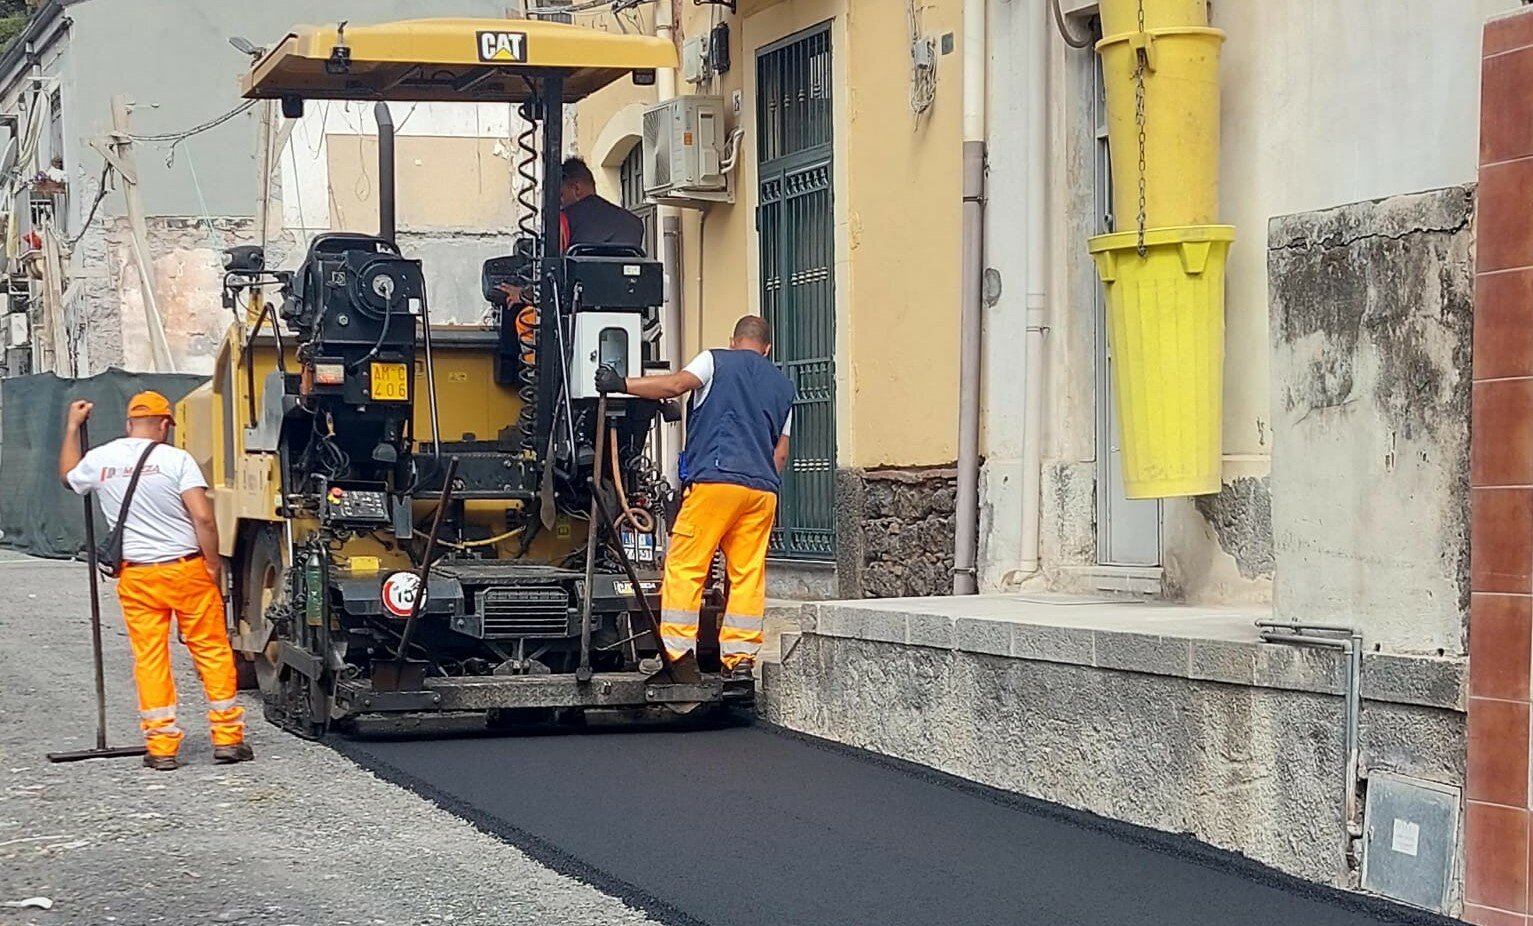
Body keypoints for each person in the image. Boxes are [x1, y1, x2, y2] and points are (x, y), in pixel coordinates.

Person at [58, 392, 253, 771]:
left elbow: (68, 477)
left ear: (129, 424)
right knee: (211, 651)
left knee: (150, 657)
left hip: (138, 575)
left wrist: (72, 426)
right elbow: (203, 517)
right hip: (186, 569)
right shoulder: (176, 459)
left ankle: (162, 746)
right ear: (165, 425)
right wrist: (212, 565)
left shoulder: (100, 459)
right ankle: (228, 739)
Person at [596, 316, 794, 680]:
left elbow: (675, 385)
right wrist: (763, 483)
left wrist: (620, 383)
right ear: (767, 349)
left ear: (733, 340)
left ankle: (677, 656)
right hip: (762, 491)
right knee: (748, 573)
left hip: (716, 480)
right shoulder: (783, 386)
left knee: (686, 565)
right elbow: (780, 453)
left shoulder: (715, 360)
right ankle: (740, 661)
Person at [497, 157, 647, 305]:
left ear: (576, 188)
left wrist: (522, 295)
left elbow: (552, 273)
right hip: (629, 305)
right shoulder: (634, 223)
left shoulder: (563, 220)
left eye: (561, 195)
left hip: (579, 306)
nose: (560, 203)